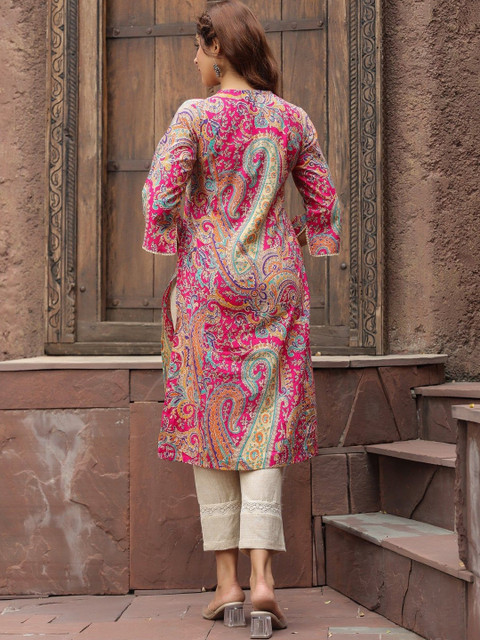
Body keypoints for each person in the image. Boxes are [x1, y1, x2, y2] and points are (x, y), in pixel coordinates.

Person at [142, 0, 340, 635]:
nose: (193, 60)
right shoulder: (292, 117)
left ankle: (226, 584)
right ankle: (263, 583)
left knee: (209, 420)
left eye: (198, 48)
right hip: (274, 284)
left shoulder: (195, 116)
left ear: (219, 50)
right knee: (267, 420)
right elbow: (324, 200)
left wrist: (179, 236)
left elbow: (161, 195)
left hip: (207, 284)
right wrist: (304, 240)